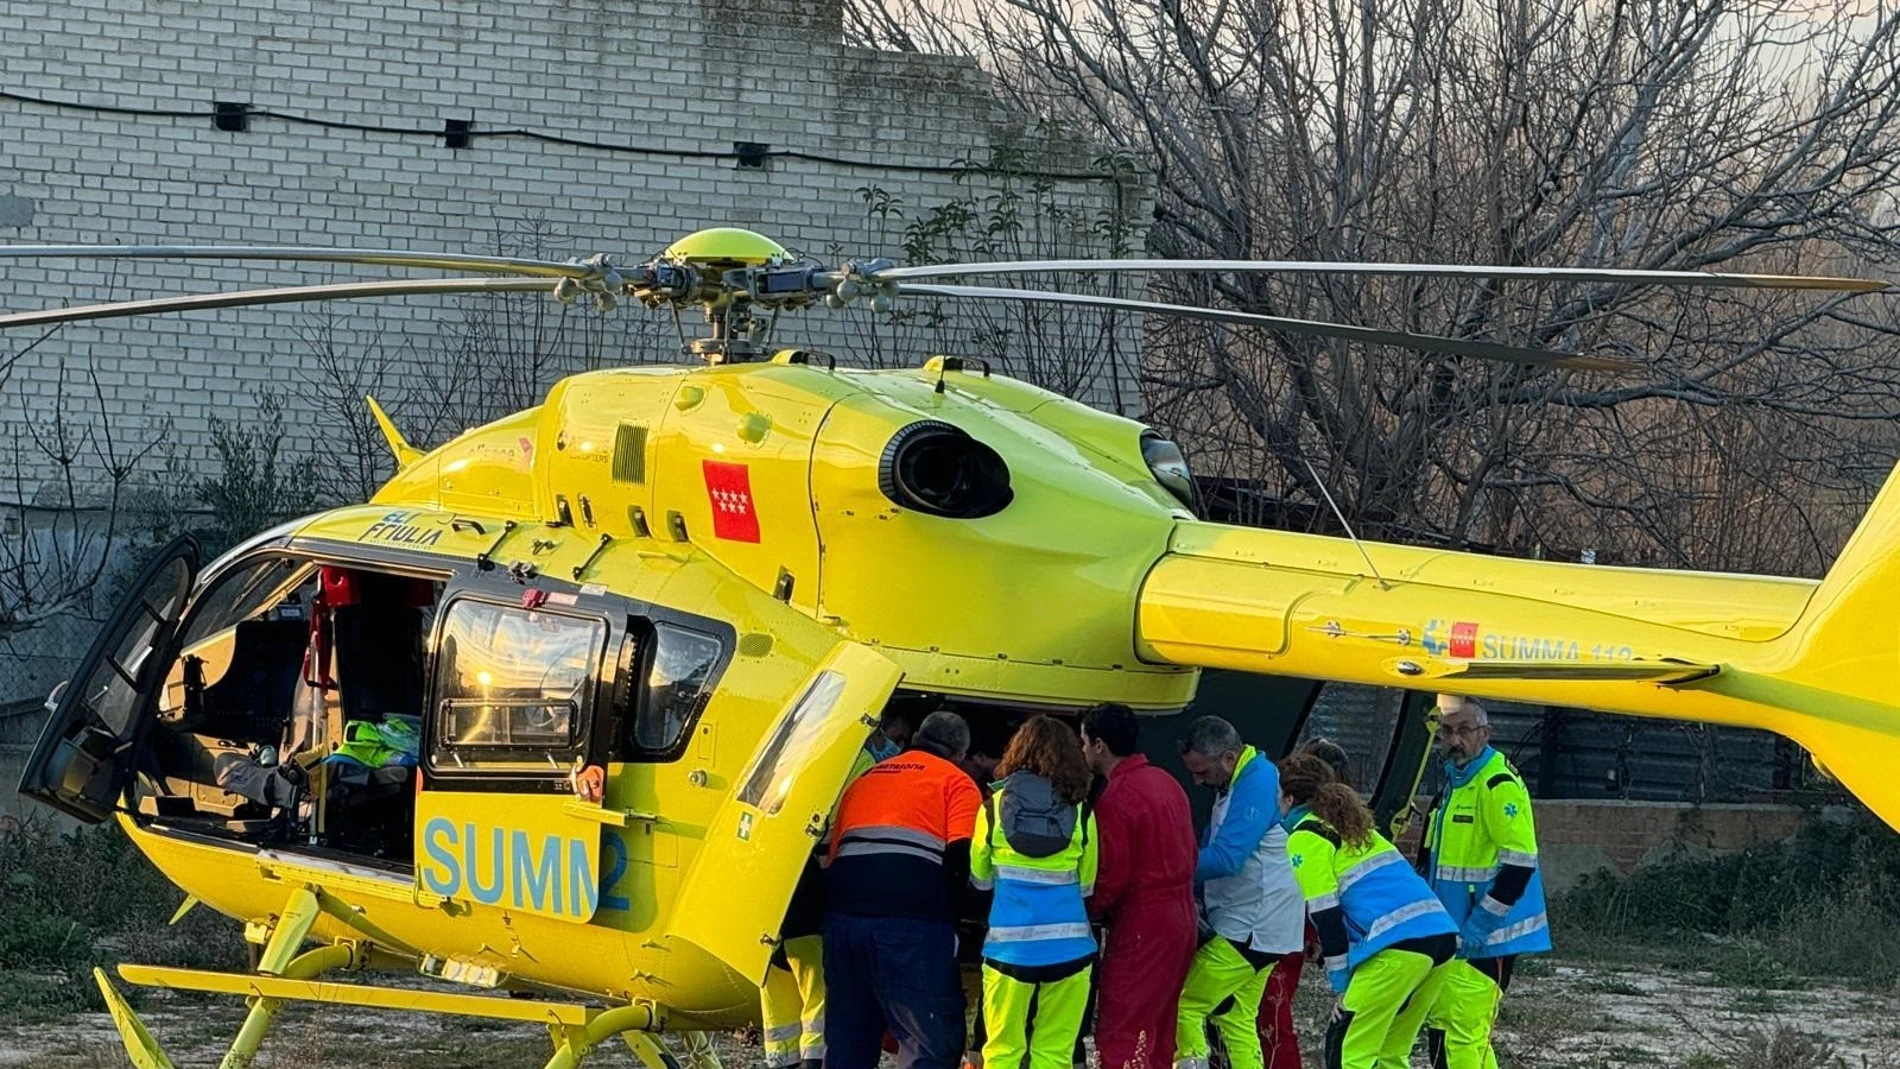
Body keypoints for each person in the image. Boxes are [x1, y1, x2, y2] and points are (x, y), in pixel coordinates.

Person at [825, 711, 983, 1069]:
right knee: (928, 1045)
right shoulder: (956, 782)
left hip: (843, 924)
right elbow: (963, 859)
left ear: (916, 737)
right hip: (910, 927)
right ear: (960, 751)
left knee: (848, 1041)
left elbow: (834, 855)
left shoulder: (865, 780)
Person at [1279, 753, 1457, 1069]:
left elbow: (1325, 912)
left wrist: (1341, 982)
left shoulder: (1305, 836)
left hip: (1398, 947)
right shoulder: (1353, 826)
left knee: (1346, 1047)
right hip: (1439, 938)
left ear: (1289, 798)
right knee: (1390, 1052)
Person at [1419, 696, 1550, 1069]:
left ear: (1485, 733)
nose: (1454, 740)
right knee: (1449, 1030)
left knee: (1462, 1036)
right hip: (1452, 932)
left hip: (1487, 938)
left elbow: (1520, 864)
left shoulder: (1496, 784)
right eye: (1446, 731)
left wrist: (1481, 925)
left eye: (1464, 731)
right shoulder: (1455, 781)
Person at [1172, 717, 1305, 1069]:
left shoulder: (1257, 782)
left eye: (1202, 770)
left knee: (1183, 1003)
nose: (1197, 780)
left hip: (1250, 924)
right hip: (1269, 927)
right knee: (1235, 1017)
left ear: (1228, 757)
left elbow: (1228, 858)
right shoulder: (1243, 780)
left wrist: (1165, 871)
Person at [969, 716, 1100, 1069]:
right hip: (1070, 949)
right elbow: (1086, 885)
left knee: (1001, 1052)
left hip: (1008, 950)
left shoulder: (992, 809)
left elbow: (979, 879)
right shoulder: (1082, 812)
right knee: (1054, 1055)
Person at [1079, 703, 1198, 1069]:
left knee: (1124, 1024)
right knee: (1161, 1025)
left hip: (1144, 920)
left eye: (1084, 741)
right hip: (1182, 915)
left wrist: (1089, 911)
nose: (1082, 750)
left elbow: (1110, 875)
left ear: (1100, 745)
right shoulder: (1166, 782)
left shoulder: (1117, 798)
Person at [1256, 737, 1354, 1069]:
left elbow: (1318, 894)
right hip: (1292, 929)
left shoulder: (1304, 829)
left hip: (1282, 929)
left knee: (1273, 1014)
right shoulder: (1341, 824)